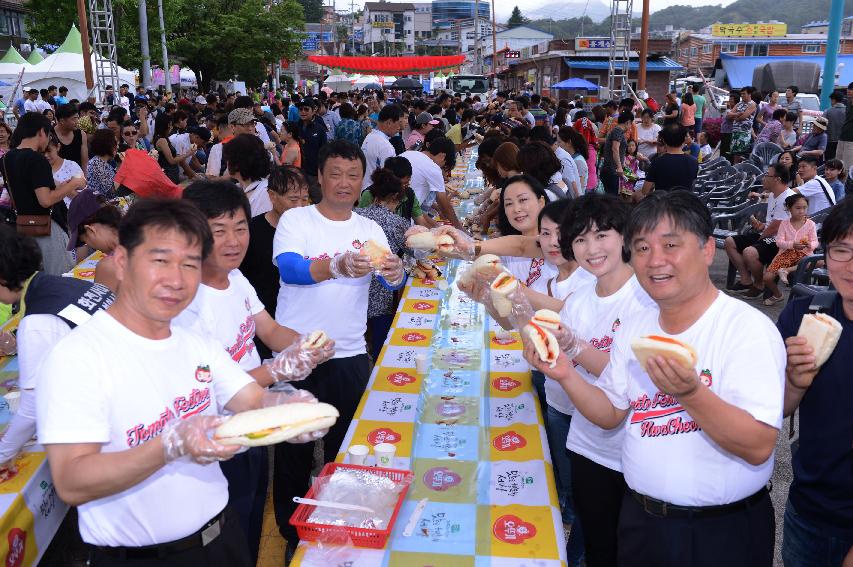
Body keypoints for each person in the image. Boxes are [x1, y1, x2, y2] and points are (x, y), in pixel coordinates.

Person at [36, 198, 323, 566]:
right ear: (121, 262)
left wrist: (288, 410)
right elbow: (72, 480)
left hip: (222, 539)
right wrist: (170, 444)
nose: (176, 279)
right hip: (142, 558)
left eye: (189, 264)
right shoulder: (77, 357)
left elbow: (250, 399)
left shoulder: (195, 346)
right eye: (160, 261)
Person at [527, 190, 784, 567]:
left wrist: (691, 393)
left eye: (671, 245)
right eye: (643, 247)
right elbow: (611, 410)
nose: (655, 260)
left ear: (707, 249)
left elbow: (759, 445)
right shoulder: (637, 326)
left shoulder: (746, 329)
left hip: (717, 531)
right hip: (642, 521)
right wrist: (563, 372)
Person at [177, 180, 332, 565]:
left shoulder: (235, 279)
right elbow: (216, 385)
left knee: (246, 524)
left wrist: (307, 343)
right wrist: (277, 368)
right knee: (223, 538)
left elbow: (268, 329)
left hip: (248, 430)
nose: (234, 241)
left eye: (240, 227)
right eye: (219, 230)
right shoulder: (186, 303)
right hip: (212, 441)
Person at [271, 140, 405, 559]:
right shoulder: (297, 219)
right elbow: (290, 268)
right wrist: (334, 266)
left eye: (353, 175)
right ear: (320, 177)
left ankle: (334, 527)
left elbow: (389, 281)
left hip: (348, 354)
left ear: (363, 180)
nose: (344, 183)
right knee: (293, 451)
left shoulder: (368, 229)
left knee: (343, 449)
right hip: (297, 352)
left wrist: (397, 272)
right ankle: (291, 534)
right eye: (335, 173)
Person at [777, 197, 853, 566]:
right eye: (842, 250)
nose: (851, 266)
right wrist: (795, 381)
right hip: (807, 510)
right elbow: (778, 407)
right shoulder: (805, 314)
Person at [0, 226, 115, 470]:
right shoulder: (67, 285)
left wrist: (3, 453)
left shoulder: (37, 321)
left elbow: (33, 406)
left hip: (112, 430)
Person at [240, 166, 309, 360]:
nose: (300, 206)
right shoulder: (250, 232)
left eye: (305, 199)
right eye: (293, 199)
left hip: (302, 322)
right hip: (263, 325)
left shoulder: (313, 230)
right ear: (272, 196)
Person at [3, 113, 77, 274]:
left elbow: (27, 189)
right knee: (60, 277)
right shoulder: (37, 159)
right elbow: (45, 200)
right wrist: (74, 183)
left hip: (24, 227)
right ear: (41, 132)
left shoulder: (7, 158)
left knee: (40, 279)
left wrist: (59, 186)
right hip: (47, 228)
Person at [355, 166, 410, 361]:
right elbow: (415, 251)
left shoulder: (356, 214)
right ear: (395, 196)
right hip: (381, 292)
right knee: (381, 348)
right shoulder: (397, 222)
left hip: (354, 292)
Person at [725, 162, 795, 295]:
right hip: (768, 235)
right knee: (730, 242)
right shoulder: (774, 195)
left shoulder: (787, 198)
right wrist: (760, 226)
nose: (763, 178)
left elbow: (776, 227)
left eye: (767, 175)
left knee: (749, 252)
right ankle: (746, 279)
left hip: (779, 241)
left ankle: (759, 284)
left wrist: (760, 237)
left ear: (777, 179)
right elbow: (770, 224)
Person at [761, 193, 818, 302]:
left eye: (804, 208)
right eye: (798, 208)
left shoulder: (810, 224)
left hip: (804, 253)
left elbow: (815, 241)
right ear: (789, 208)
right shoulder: (784, 224)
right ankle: (778, 295)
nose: (801, 211)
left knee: (818, 262)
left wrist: (810, 245)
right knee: (767, 278)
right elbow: (779, 242)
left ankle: (786, 270)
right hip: (786, 254)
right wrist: (792, 244)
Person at [401, 136, 462, 229]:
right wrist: (461, 231)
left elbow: (414, 205)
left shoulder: (408, 153)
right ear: (443, 156)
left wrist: (435, 225)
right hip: (403, 219)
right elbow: (445, 206)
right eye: (444, 167)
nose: (442, 171)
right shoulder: (433, 167)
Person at [65, 190, 121, 290]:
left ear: (90, 230)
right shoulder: (144, 235)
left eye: (84, 241)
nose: (91, 246)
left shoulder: (108, 267)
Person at [637, 124, 699, 198]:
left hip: (662, 205)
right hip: (684, 204)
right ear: (683, 140)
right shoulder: (693, 162)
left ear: (664, 141)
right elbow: (692, 187)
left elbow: (645, 191)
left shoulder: (657, 162)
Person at [223, 134, 272, 217]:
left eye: (229, 159)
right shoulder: (237, 189)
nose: (227, 163)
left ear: (237, 163)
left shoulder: (265, 195)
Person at [361, 104, 402, 190]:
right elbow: (389, 179)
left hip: (364, 189)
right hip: (375, 194)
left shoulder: (370, 136)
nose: (399, 128)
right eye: (398, 123)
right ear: (389, 122)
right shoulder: (386, 146)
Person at [45, 132, 86, 208]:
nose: (46, 155)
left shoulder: (71, 166)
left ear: (58, 147)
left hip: (75, 213)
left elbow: (82, 188)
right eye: (42, 152)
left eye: (49, 151)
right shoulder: (40, 170)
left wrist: (61, 188)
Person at [297, 101, 328, 201]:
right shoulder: (295, 127)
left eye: (306, 109)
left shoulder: (320, 129)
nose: (303, 112)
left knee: (318, 202)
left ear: (313, 111)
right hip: (298, 173)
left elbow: (324, 153)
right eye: (300, 109)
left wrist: (321, 174)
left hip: (314, 174)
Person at [153, 112, 193, 184]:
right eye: (170, 125)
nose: (171, 127)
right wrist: (188, 153)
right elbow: (171, 161)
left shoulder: (163, 137)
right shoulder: (162, 140)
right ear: (166, 126)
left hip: (171, 172)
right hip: (168, 174)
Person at [600, 111, 632, 196]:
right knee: (611, 198)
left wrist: (622, 164)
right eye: (631, 124)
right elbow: (615, 148)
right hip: (611, 170)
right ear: (628, 122)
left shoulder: (617, 131)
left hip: (611, 169)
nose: (631, 126)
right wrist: (619, 166)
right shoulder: (618, 131)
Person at [85, 129, 119, 199]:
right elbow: (111, 192)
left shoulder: (99, 162)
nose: (117, 147)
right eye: (115, 143)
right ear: (109, 145)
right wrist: (124, 170)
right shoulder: (97, 164)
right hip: (100, 206)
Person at [54, 103, 88, 170]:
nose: (77, 121)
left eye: (77, 118)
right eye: (74, 119)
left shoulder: (81, 134)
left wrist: (84, 178)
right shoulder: (50, 135)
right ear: (62, 121)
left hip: (77, 176)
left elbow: (84, 162)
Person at [558, 126, 589, 192]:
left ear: (569, 142)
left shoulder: (578, 162)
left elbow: (578, 188)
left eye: (559, 142)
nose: (557, 145)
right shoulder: (569, 157)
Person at [729, 87, 757, 157]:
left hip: (744, 133)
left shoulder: (752, 104)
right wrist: (737, 114)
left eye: (744, 94)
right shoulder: (739, 104)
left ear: (749, 94)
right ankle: (735, 167)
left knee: (741, 155)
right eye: (741, 94)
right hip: (735, 132)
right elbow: (728, 116)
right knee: (735, 155)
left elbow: (742, 117)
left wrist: (734, 116)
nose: (742, 95)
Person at [824, 90, 846, 160]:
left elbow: (822, 125)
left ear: (833, 100)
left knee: (829, 161)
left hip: (830, 141)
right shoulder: (848, 111)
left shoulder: (827, 112)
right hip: (844, 141)